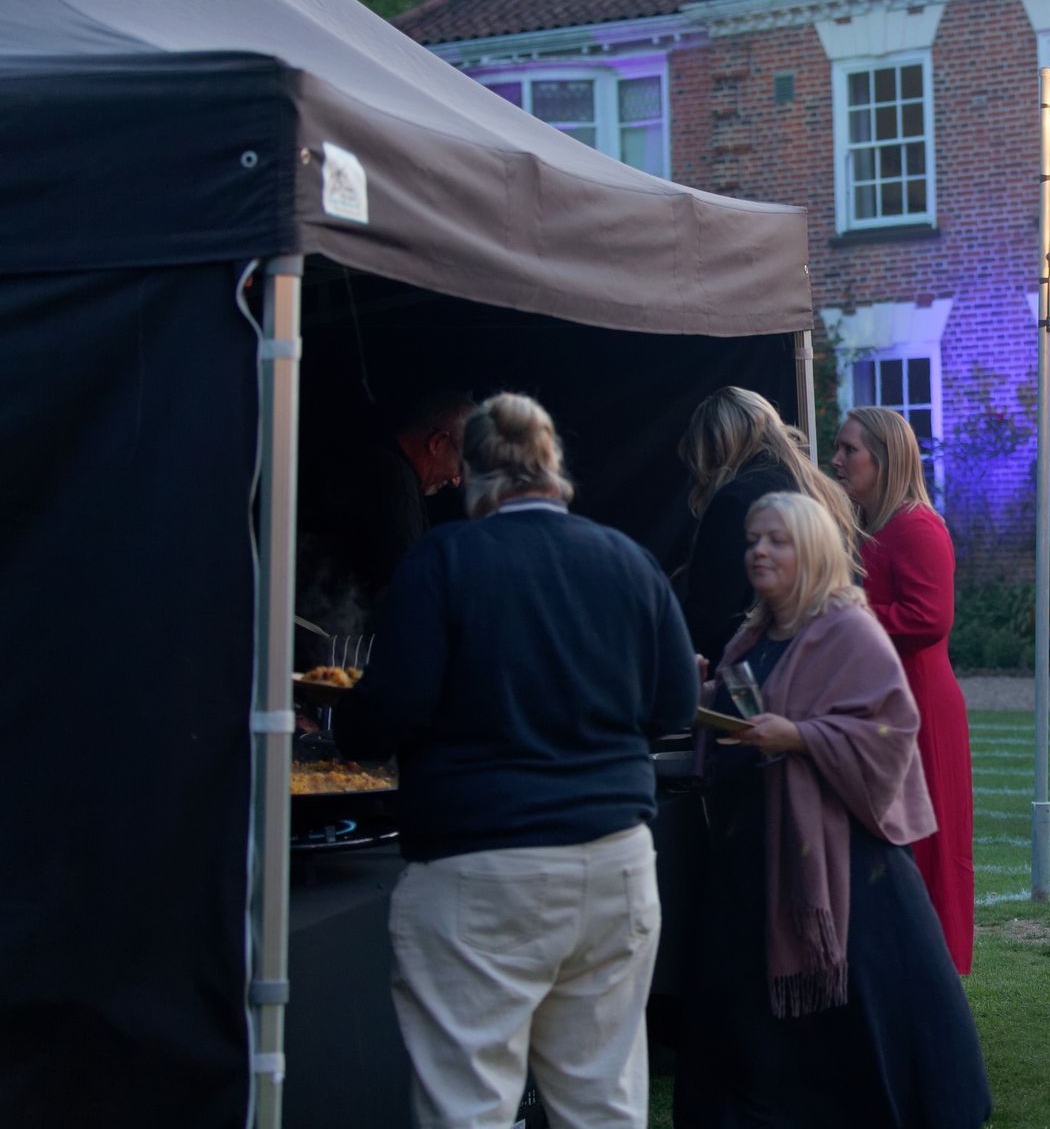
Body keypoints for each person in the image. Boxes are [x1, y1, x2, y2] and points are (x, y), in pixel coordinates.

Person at [334, 392, 698, 1126]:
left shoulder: (443, 560)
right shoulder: (628, 560)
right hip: (613, 860)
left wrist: (344, 719)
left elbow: (386, 715)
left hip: (481, 866)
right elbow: (675, 710)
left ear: (470, 474)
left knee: (469, 1107)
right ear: (552, 467)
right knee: (602, 1106)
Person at [673, 492, 991, 1128]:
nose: (758, 551)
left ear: (813, 552)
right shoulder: (752, 633)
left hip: (847, 872)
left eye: (777, 540)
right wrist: (701, 688)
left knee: (852, 1029)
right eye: (753, 540)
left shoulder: (848, 631)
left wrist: (800, 736)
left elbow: (892, 731)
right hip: (752, 858)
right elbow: (741, 704)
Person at [830, 406, 976, 974]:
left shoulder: (915, 525)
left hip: (918, 707)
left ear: (884, 459)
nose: (837, 460)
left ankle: (931, 969)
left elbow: (927, 619)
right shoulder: (873, 524)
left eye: (849, 450)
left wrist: (841, 609)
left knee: (928, 846)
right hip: (885, 703)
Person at [677, 386, 860, 665]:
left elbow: (713, 610)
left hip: (761, 672)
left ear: (714, 445)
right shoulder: (822, 490)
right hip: (828, 658)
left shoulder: (735, 500)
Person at [298, 386, 473, 630]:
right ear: (437, 443)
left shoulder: (383, 467)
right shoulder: (394, 481)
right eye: (462, 463)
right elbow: (406, 590)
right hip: (325, 635)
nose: (456, 480)